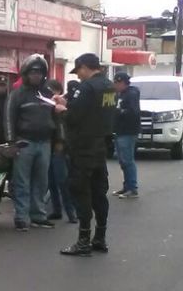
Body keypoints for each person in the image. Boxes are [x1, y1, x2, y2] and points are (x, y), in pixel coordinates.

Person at [60, 53, 116, 257]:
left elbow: (74, 116)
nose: (79, 76)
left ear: (84, 67)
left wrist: (61, 109)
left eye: (79, 71)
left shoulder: (87, 87)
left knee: (81, 191)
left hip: (83, 147)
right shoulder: (109, 86)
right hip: (101, 145)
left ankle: (83, 241)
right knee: (99, 193)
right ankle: (100, 237)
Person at [6, 54, 57, 231]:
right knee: (22, 182)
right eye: (33, 72)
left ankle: (38, 216)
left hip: (45, 144)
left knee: (42, 182)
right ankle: (21, 217)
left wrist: (59, 141)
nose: (36, 75)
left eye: (40, 72)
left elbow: (57, 118)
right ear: (26, 74)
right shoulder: (17, 95)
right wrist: (12, 142)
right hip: (24, 144)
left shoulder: (49, 94)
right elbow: (8, 119)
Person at [44, 79, 78, 223]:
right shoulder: (45, 104)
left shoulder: (61, 105)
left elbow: (63, 126)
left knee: (62, 180)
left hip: (58, 145)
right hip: (48, 144)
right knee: (51, 180)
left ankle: (71, 212)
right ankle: (57, 210)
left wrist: (61, 143)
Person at [113, 73, 141, 198]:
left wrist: (118, 112)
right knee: (122, 160)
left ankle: (132, 188)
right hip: (119, 131)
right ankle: (126, 186)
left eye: (117, 83)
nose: (115, 85)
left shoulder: (131, 94)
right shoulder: (120, 94)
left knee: (128, 160)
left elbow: (133, 112)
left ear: (122, 82)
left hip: (128, 131)